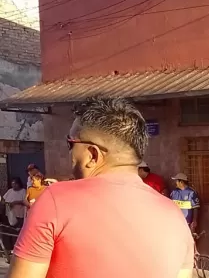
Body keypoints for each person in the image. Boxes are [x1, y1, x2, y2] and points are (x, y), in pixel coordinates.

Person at [10, 96, 194, 278]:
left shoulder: (55, 201)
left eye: (70, 143)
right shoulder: (174, 215)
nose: (70, 153)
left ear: (92, 154)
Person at [1, 177, 26, 251]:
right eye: (12, 184)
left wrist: (15, 202)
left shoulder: (23, 191)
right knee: (7, 231)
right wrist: (5, 203)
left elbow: (24, 201)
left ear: (19, 184)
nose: (13, 186)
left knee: (16, 233)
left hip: (18, 215)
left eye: (15, 184)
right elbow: (3, 199)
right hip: (8, 215)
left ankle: (17, 249)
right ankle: (8, 249)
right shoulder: (10, 191)